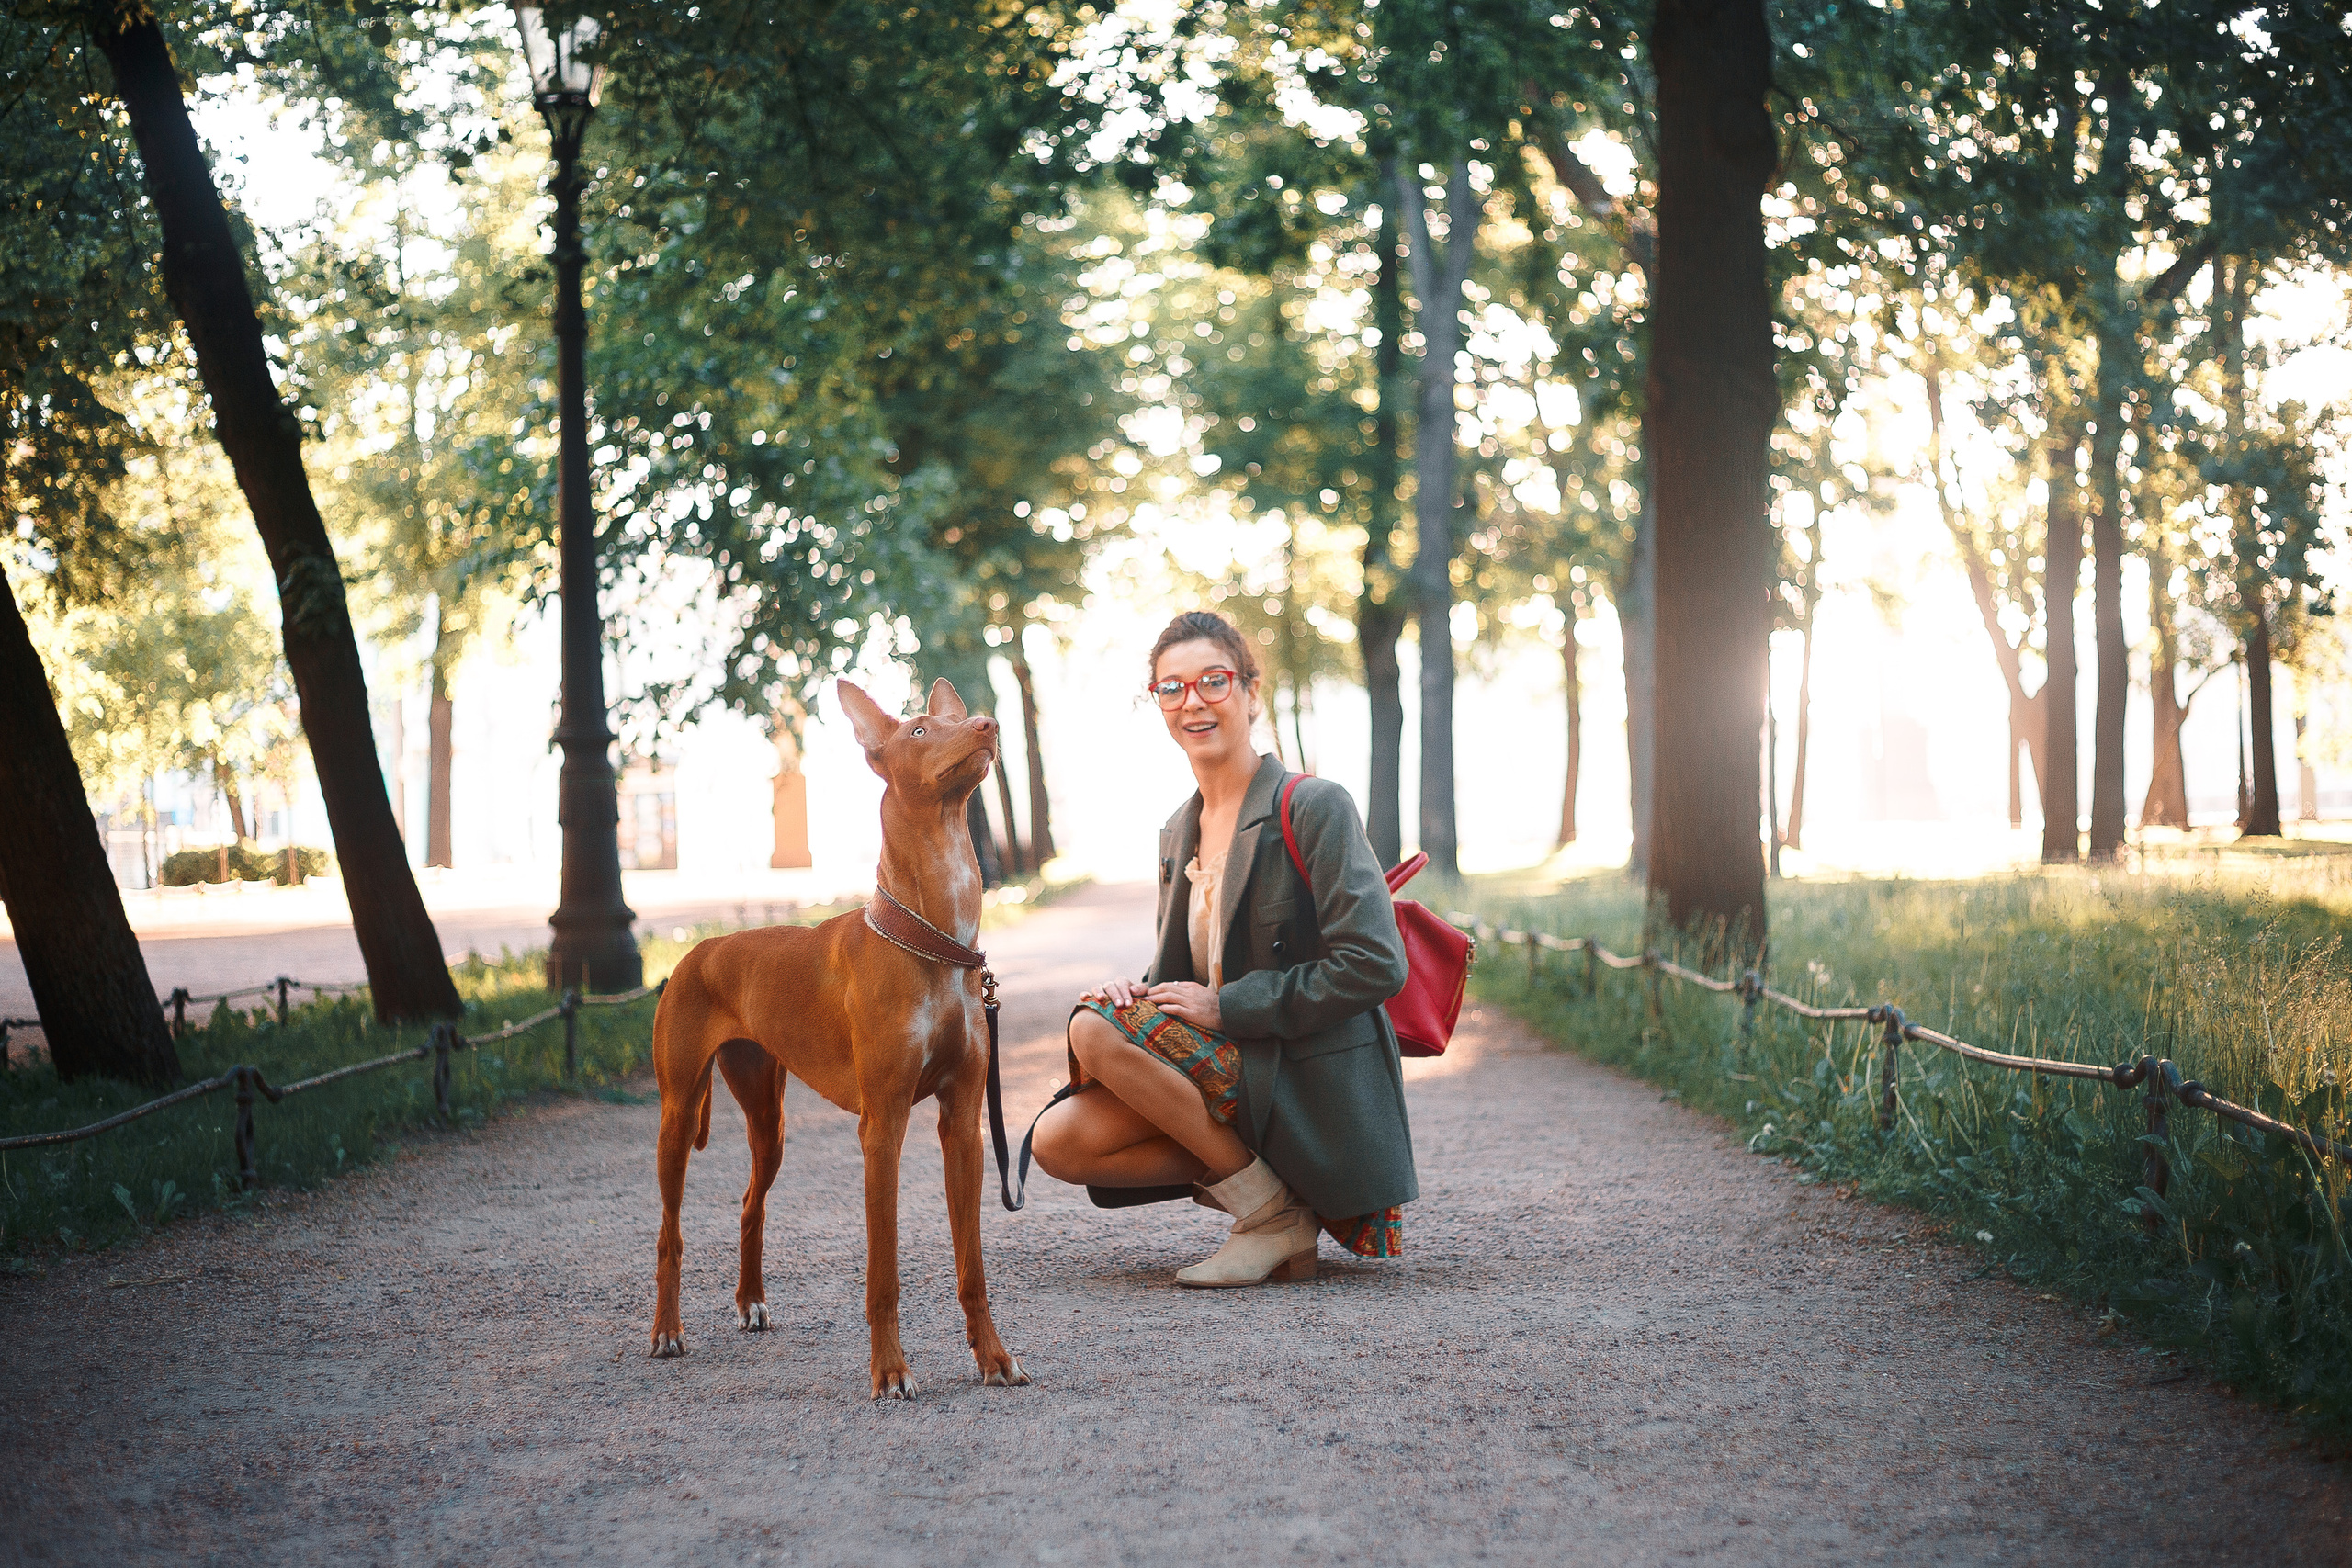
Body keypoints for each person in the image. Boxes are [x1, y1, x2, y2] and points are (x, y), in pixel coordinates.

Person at [1029, 609, 1418, 1287]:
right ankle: (1275, 1199)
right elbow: (1192, 972)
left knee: (1092, 1033)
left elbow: (1376, 961)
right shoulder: (1179, 829)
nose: (1193, 702)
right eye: (1171, 688)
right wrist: (1141, 991)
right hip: (1237, 1062)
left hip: (1298, 1067)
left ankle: (1269, 1215)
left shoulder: (1313, 805)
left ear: (1251, 691)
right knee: (1057, 1138)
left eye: (1213, 680)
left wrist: (1227, 1006)